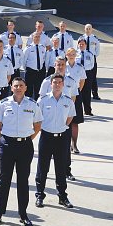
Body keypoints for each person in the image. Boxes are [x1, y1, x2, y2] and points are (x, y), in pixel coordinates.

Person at [0, 77, 43, 226]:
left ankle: (23, 214)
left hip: (25, 146)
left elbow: (38, 124)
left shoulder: (32, 104)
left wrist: (27, 138)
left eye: (21, 85)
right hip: (7, 145)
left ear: (26, 88)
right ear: (11, 87)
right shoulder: (3, 103)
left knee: (23, 181)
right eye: (16, 86)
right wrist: (5, 139)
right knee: (4, 180)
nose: (18, 88)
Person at [35, 75, 75, 209]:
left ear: (63, 84)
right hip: (46, 137)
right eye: (54, 82)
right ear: (50, 84)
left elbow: (69, 118)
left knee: (61, 167)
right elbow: (37, 118)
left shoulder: (68, 101)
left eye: (59, 82)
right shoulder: (43, 100)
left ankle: (62, 196)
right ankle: (40, 195)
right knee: (43, 167)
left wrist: (60, 128)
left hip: (62, 138)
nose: (57, 85)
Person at [79, 24, 101, 100]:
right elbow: (78, 48)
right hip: (83, 59)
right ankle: (81, 93)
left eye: (89, 29)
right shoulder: (81, 38)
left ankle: (95, 94)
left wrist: (93, 56)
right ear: (84, 29)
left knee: (93, 77)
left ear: (92, 30)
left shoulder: (95, 39)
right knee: (81, 76)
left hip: (92, 60)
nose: (88, 30)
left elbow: (97, 50)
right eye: (86, 29)